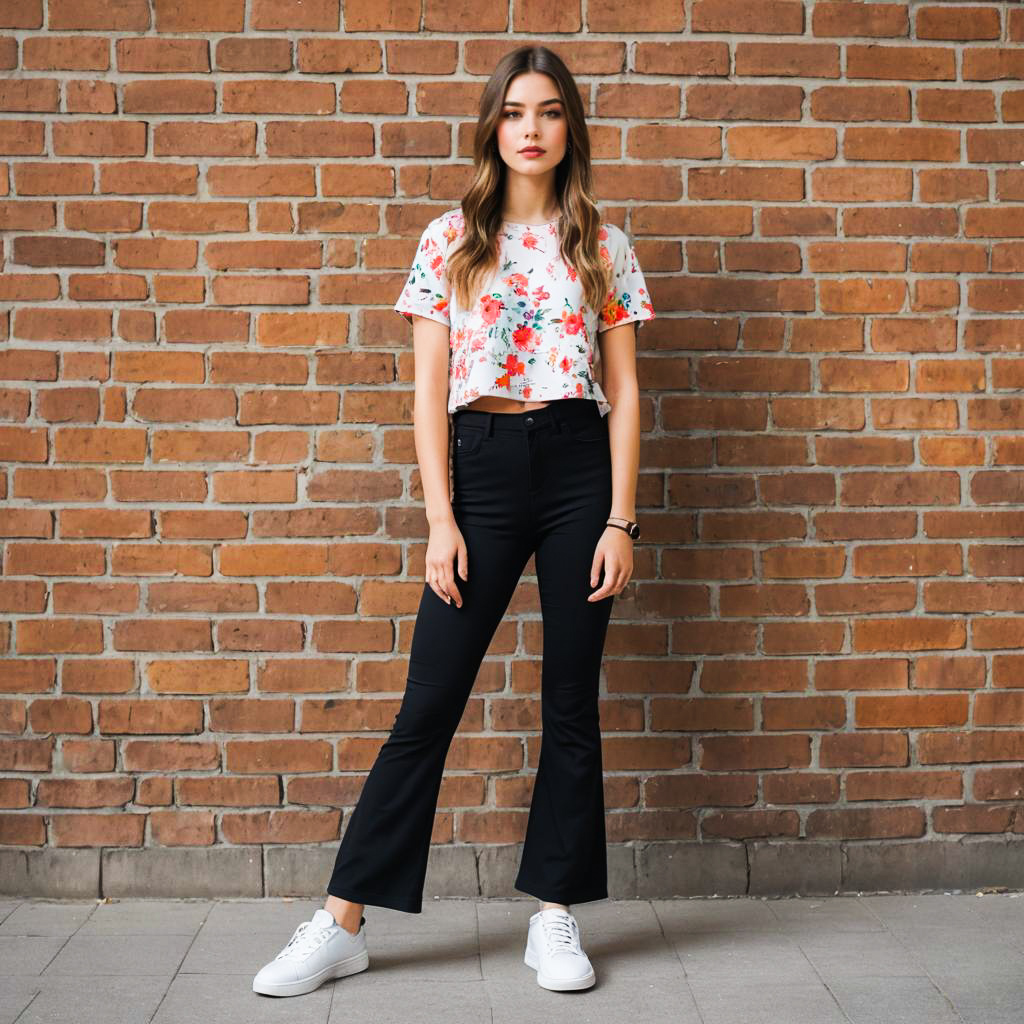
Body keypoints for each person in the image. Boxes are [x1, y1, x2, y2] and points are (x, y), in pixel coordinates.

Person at [253, 43, 654, 999]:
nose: (531, 129)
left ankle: (554, 915)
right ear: (491, 126)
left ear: (570, 129)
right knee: (426, 706)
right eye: (515, 111)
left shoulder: (602, 241)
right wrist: (442, 518)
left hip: (575, 471)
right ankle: (342, 920)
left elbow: (628, 393)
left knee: (570, 703)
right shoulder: (450, 238)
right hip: (476, 468)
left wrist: (621, 521)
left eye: (550, 112)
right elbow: (427, 395)